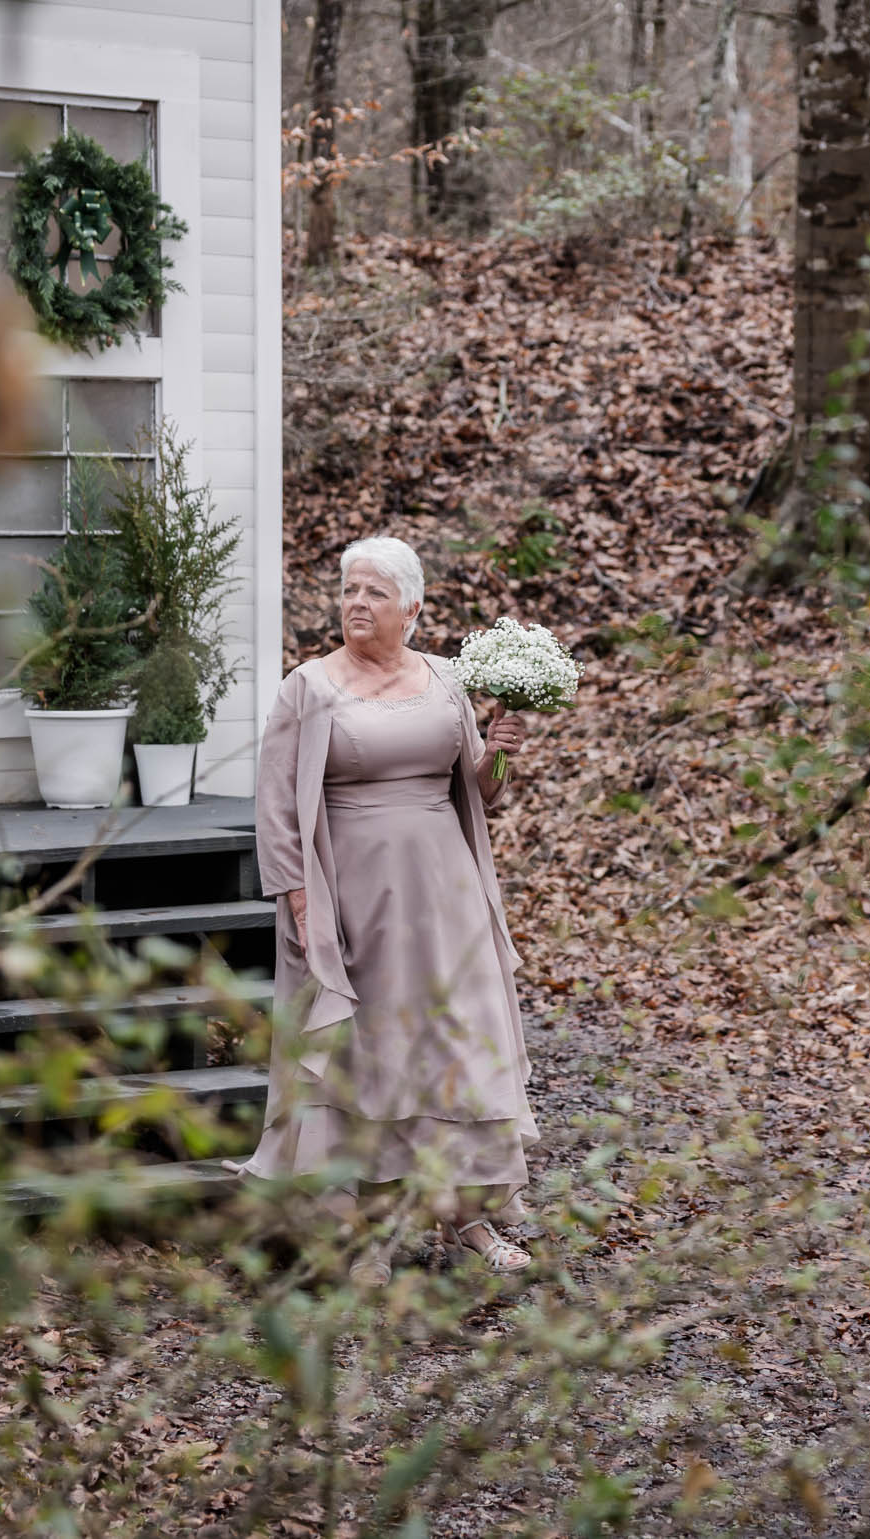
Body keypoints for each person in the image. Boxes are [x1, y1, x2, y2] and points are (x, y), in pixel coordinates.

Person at [244, 536, 536, 1280]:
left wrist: (499, 749)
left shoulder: (445, 679)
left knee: (459, 1044)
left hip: (448, 896)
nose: (356, 604)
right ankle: (368, 1222)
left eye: (374, 592)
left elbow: (477, 789)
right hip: (356, 902)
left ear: (413, 605)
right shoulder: (308, 689)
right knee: (373, 1055)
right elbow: (276, 812)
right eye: (348, 589)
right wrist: (305, 911)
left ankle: (468, 1215)